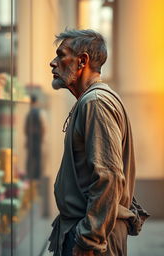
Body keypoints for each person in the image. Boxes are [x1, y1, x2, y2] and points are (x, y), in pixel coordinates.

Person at [48, 29, 149, 256]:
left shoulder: (96, 102)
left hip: (91, 239)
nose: (52, 63)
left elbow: (109, 177)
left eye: (61, 55)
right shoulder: (91, 99)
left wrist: (88, 240)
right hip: (87, 231)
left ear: (82, 60)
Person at [24, 95, 45, 179]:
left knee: (31, 158)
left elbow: (26, 128)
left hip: (33, 137)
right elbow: (43, 127)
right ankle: (35, 176)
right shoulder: (37, 112)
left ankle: (31, 176)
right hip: (36, 138)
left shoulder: (30, 113)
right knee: (36, 158)